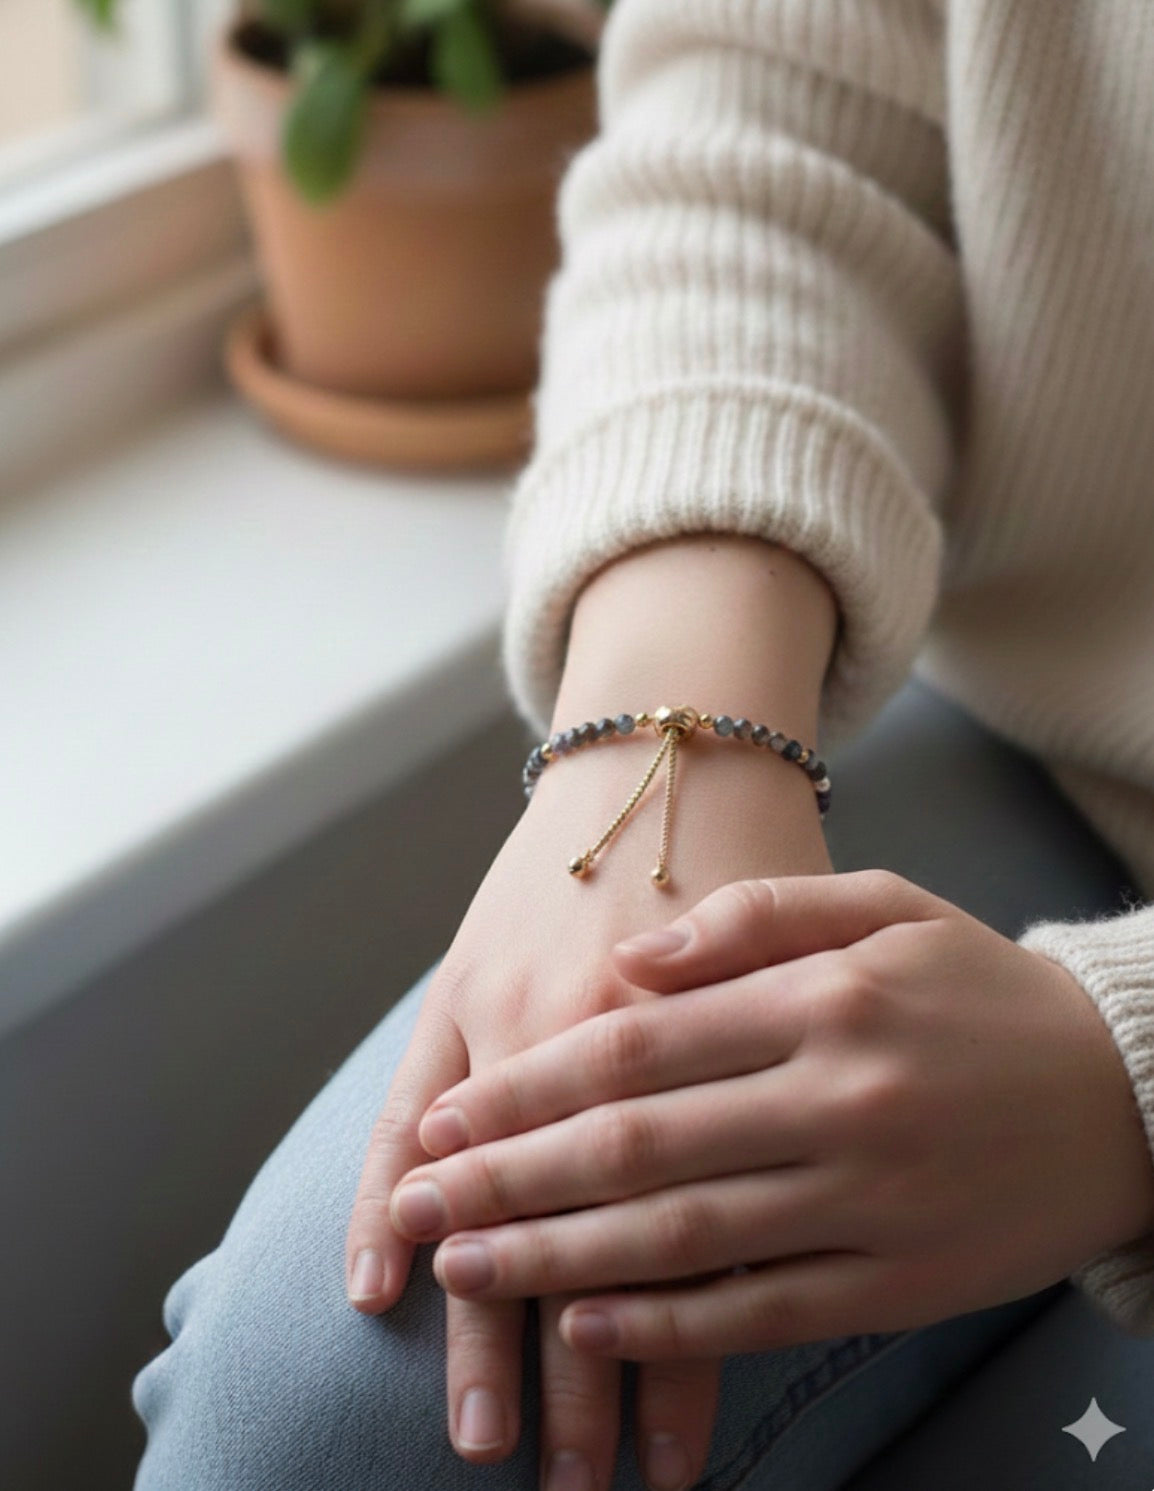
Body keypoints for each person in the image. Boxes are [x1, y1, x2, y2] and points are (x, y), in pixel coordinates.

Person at [132, 1, 1154, 1487]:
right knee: (315, 1412)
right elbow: (772, 113)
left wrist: (1117, 1085)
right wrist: (659, 733)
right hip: (1063, 743)